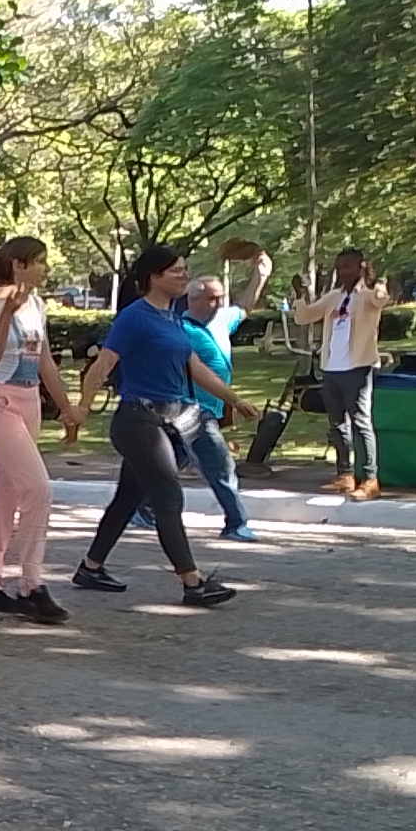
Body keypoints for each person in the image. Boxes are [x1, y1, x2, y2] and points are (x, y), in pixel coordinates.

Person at [72, 246, 259, 607]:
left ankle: (91, 567)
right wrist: (82, 407)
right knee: (168, 496)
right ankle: (193, 583)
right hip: (137, 419)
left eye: (185, 269)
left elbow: (193, 366)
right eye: (175, 271)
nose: (183, 276)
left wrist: (233, 399)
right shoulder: (134, 317)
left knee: (129, 496)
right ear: (153, 277)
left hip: (171, 416)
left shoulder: (172, 318)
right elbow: (102, 366)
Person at [0, 238, 84, 623]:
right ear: (18, 264)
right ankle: (31, 584)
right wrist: (4, 314)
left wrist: (66, 406)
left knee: (6, 492)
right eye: (40, 262)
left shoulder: (36, 303)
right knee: (38, 488)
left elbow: (43, 358)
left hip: (28, 401)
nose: (45, 269)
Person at [176, 254, 272, 541]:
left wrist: (261, 276)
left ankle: (140, 509)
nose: (219, 304)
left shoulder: (221, 320)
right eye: (212, 299)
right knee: (221, 465)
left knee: (170, 463)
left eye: (220, 298)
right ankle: (236, 522)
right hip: (191, 410)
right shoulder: (181, 330)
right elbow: (195, 371)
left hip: (212, 408)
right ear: (193, 300)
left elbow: (244, 305)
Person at [295, 248, 389, 501]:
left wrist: (375, 283)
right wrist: (301, 294)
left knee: (361, 422)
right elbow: (304, 317)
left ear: (360, 266)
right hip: (332, 367)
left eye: (348, 266)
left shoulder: (368, 296)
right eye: (340, 267)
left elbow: (381, 299)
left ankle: (370, 479)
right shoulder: (334, 297)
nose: (343, 272)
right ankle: (345, 474)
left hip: (357, 367)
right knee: (337, 424)